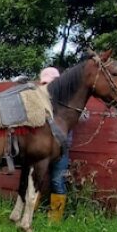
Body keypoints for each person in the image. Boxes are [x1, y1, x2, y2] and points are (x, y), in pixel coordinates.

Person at [39, 67, 70, 222]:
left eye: (50, 83)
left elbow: (83, 116)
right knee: (35, 179)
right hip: (41, 149)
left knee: (57, 181)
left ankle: (55, 220)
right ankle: (32, 212)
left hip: (60, 150)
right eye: (44, 83)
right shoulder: (39, 99)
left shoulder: (68, 101)